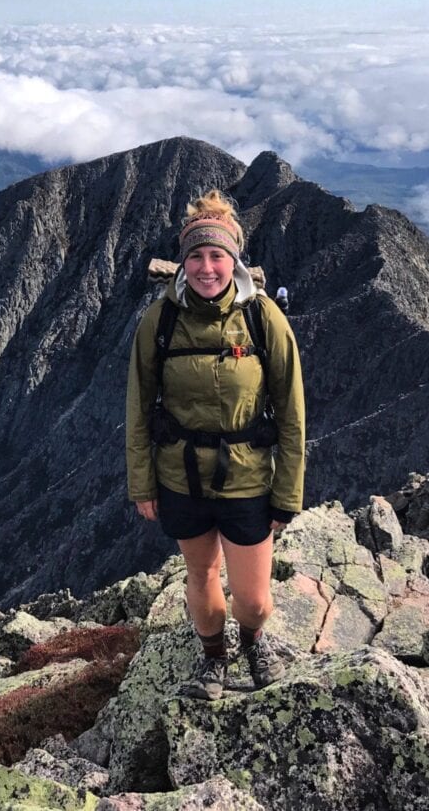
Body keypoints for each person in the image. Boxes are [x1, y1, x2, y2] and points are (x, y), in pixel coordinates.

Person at [125, 189, 306, 700]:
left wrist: (286, 494)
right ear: (183, 262)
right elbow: (138, 408)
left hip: (248, 477)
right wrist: (142, 484)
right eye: (197, 256)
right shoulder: (158, 321)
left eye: (217, 256)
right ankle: (214, 658)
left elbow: (292, 413)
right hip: (180, 476)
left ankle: (253, 638)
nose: (207, 267)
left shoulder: (263, 318)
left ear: (234, 261)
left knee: (254, 599)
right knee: (201, 576)